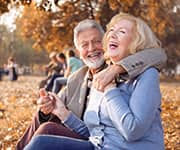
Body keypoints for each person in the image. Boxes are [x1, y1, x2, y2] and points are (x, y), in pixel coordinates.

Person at [16, 18, 166, 150]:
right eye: (84, 45)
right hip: (93, 138)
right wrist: (48, 108)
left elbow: (158, 55)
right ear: (78, 51)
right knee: (43, 123)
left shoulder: (126, 70)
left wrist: (115, 69)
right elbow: (96, 132)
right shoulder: (77, 78)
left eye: (97, 41)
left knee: (45, 134)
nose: (92, 48)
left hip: (107, 142)